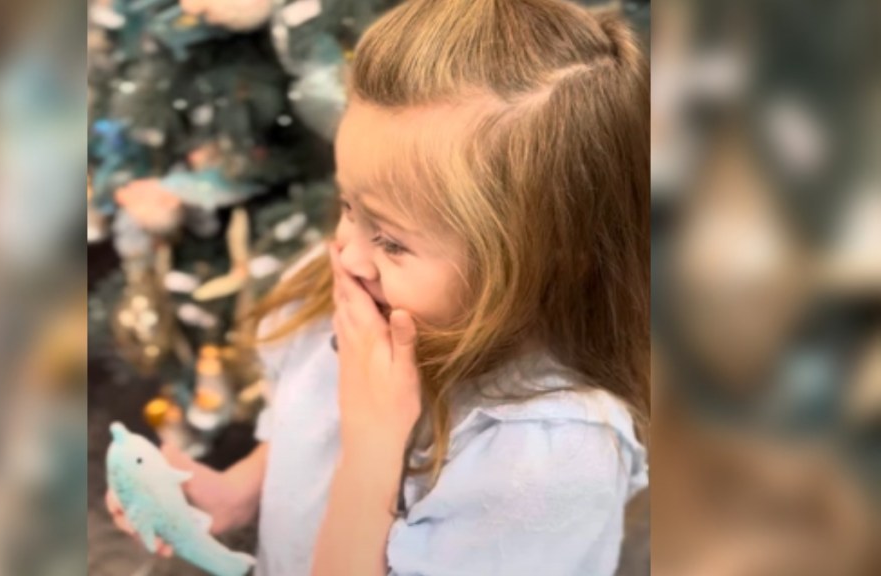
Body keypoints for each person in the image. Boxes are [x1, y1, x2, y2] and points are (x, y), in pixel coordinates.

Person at [109, 0, 650, 574]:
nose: (346, 251)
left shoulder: (545, 461)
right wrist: (240, 488)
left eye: (392, 240)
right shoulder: (357, 293)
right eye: (346, 203)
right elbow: (307, 423)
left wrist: (374, 443)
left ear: (546, 257)